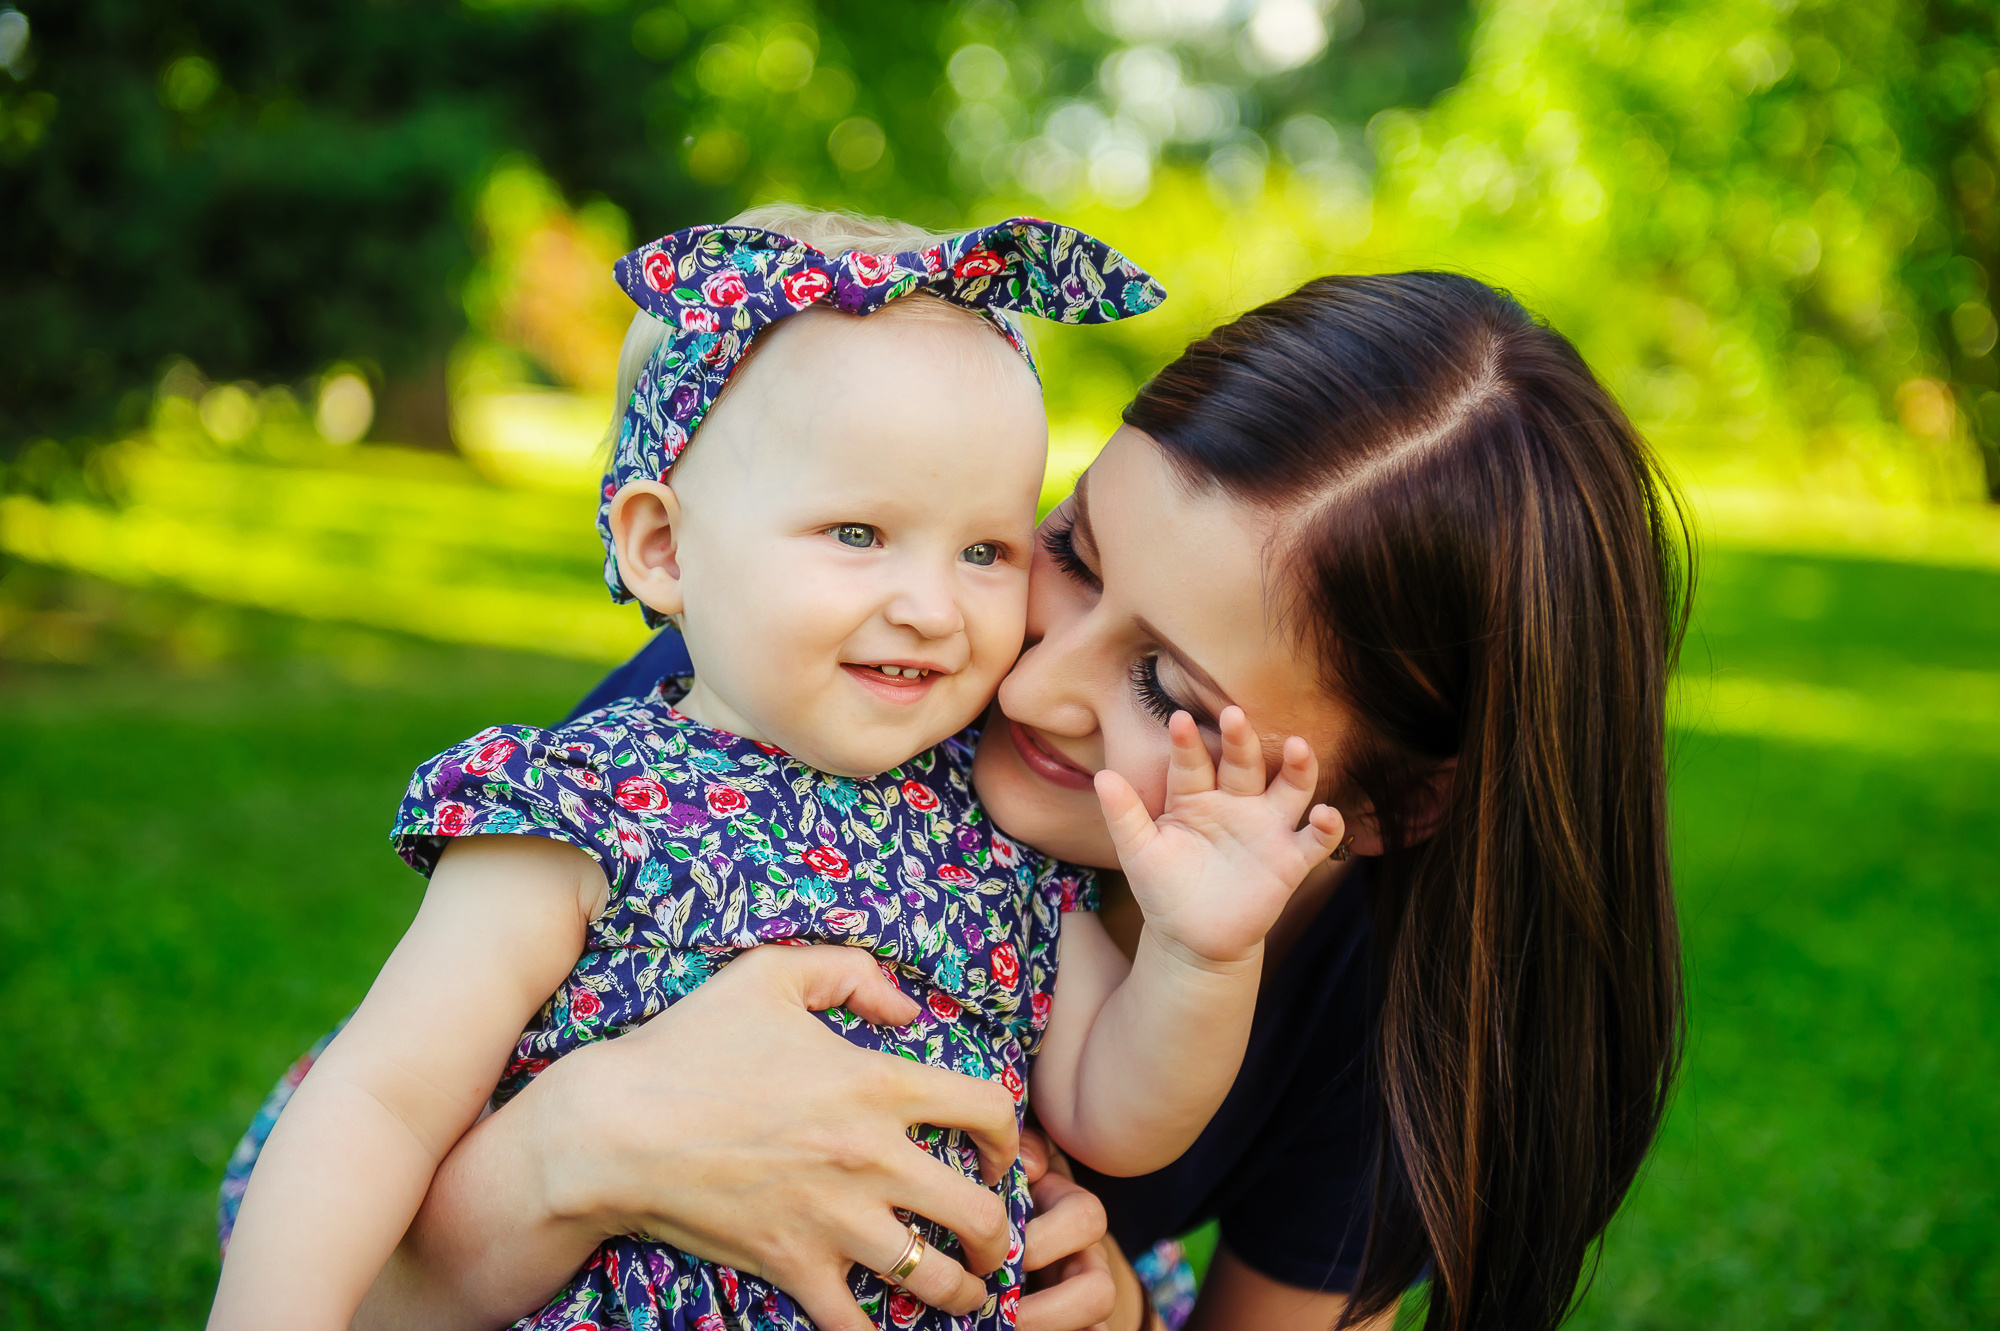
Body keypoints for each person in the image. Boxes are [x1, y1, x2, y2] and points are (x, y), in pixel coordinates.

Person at [231, 267, 1689, 1331]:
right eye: (1070, 551)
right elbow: (373, 1197)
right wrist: (586, 1140)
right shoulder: (745, 718)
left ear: (1386, 812)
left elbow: (1121, 1119)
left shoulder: (1360, 977)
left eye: (1168, 693)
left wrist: (1124, 1307)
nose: (1030, 679)